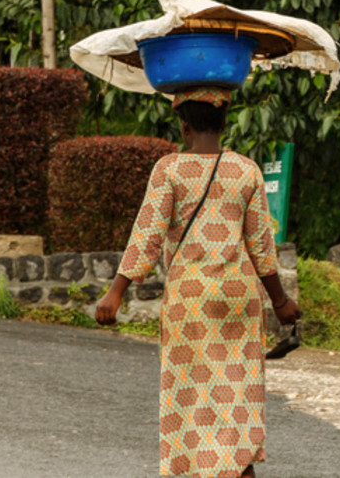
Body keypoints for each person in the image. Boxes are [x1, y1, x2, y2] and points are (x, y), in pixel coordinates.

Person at [95, 87, 300, 478]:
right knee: (236, 399)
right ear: (224, 123)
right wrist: (280, 302)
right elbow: (261, 245)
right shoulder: (247, 170)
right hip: (238, 300)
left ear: (184, 127)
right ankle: (240, 469)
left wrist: (115, 292)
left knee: (193, 399)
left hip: (191, 302)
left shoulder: (169, 170)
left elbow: (147, 234)